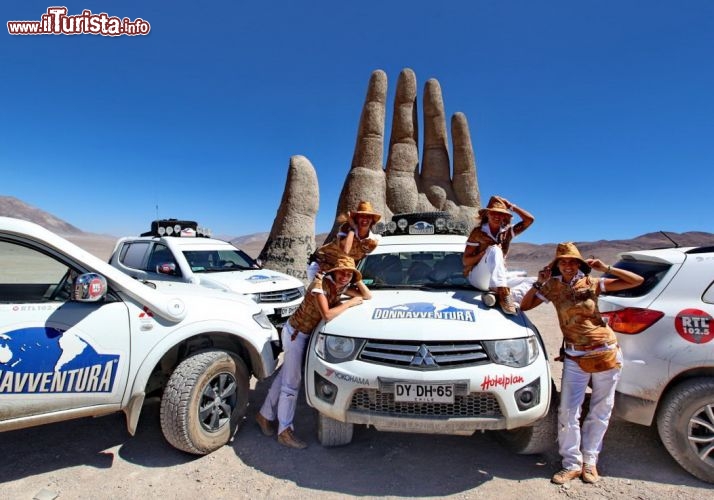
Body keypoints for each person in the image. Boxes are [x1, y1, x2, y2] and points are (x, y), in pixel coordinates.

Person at [519, 242, 644, 485]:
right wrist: (539, 281)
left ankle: (590, 462)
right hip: (575, 357)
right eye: (562, 261)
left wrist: (606, 267)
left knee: (600, 409)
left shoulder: (593, 283)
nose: (567, 265)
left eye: (572, 261)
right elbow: (525, 306)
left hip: (604, 352)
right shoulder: (553, 287)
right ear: (557, 265)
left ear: (579, 264)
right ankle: (571, 464)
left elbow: (636, 281)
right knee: (568, 411)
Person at [256, 255, 371, 449]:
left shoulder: (340, 285)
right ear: (333, 272)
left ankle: (264, 415)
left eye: (349, 274)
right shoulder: (320, 286)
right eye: (342, 272)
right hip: (297, 334)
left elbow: (366, 296)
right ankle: (284, 431)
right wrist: (350, 303)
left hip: (304, 334)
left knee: (285, 376)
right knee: (292, 384)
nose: (345, 277)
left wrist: (356, 279)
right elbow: (327, 315)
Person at [462, 195, 534, 314]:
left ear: (505, 217)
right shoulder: (477, 233)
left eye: (501, 213)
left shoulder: (506, 233)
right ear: (487, 214)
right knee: (494, 249)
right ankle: (503, 293)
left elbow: (529, 220)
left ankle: (498, 297)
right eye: (494, 213)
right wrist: (483, 253)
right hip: (478, 278)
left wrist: (511, 206)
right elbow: (466, 261)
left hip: (496, 280)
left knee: (536, 282)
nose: (497, 216)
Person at [307, 200, 381, 282]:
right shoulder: (346, 228)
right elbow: (345, 251)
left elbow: (358, 260)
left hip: (338, 271)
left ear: (372, 220)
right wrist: (353, 228)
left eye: (368, 216)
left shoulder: (372, 241)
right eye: (361, 216)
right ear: (356, 218)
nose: (365, 219)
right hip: (320, 264)